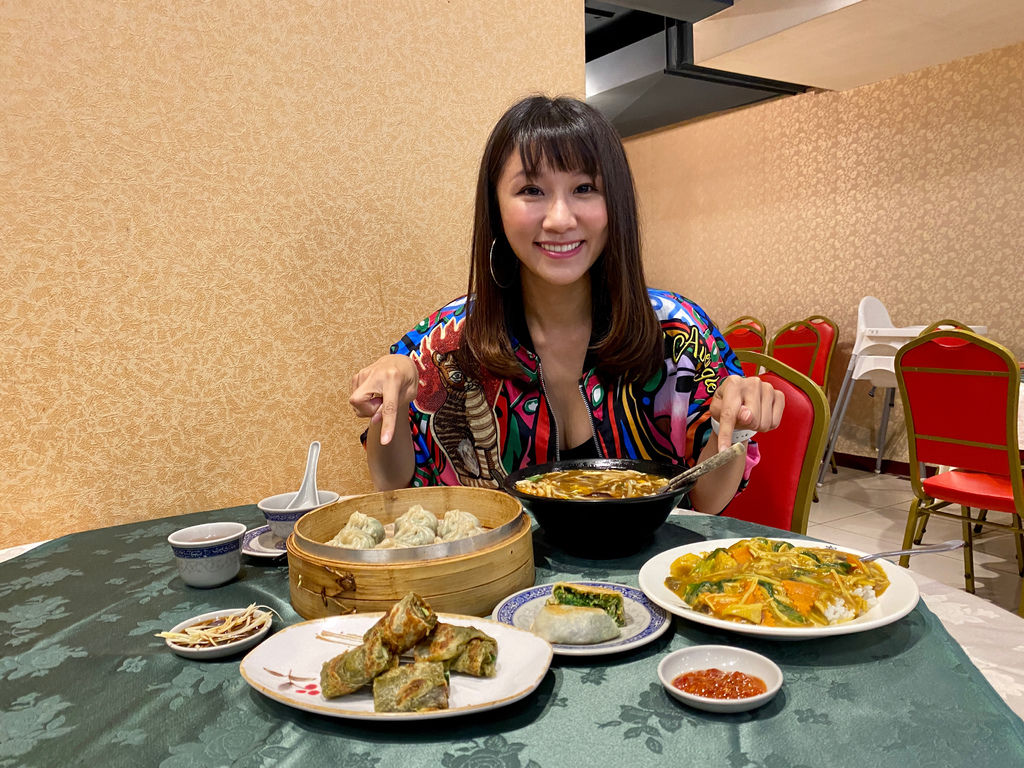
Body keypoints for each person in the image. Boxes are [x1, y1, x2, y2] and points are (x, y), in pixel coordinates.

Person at [350, 95, 784, 515]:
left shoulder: (679, 333)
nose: (560, 219)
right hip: (508, 580)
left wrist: (740, 420)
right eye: (532, 190)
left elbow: (708, 501)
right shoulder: (448, 341)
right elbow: (392, 486)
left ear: (614, 203)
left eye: (584, 188)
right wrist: (394, 402)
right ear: (496, 206)